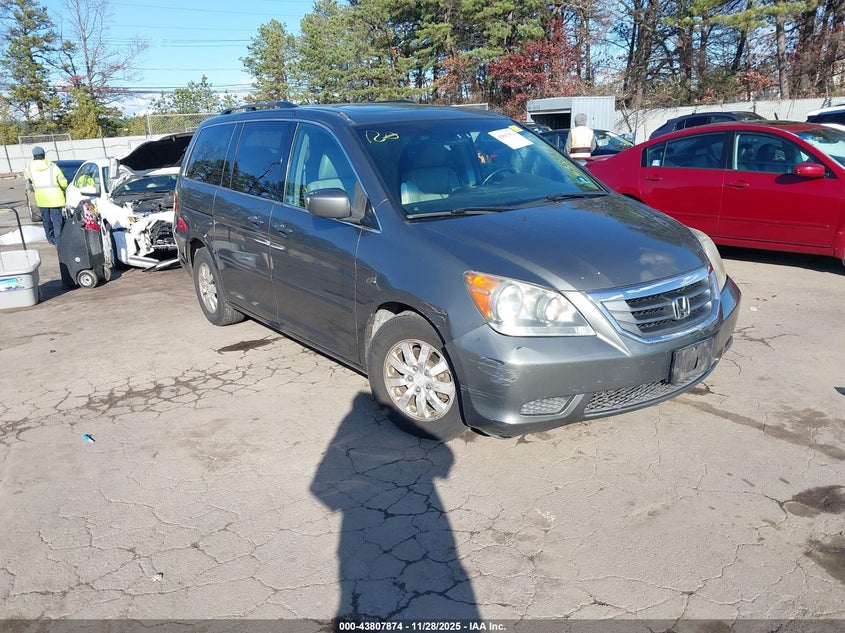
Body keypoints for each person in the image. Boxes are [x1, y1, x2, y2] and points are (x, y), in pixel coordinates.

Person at [24, 146, 68, 245]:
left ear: (34, 156)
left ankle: (49, 237)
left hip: (42, 199)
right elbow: (63, 182)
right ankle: (58, 239)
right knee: (57, 220)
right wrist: (64, 188)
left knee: (46, 220)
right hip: (56, 198)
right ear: (44, 154)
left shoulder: (29, 169)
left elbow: (30, 183)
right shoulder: (53, 167)